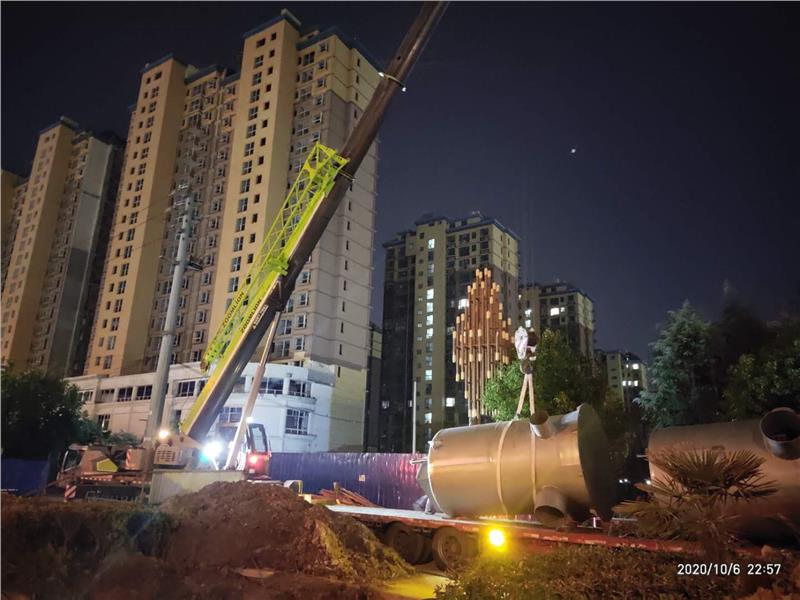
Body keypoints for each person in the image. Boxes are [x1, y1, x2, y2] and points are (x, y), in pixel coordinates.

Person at [513, 327, 539, 419]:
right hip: (526, 363)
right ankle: (520, 413)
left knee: (528, 386)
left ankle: (520, 413)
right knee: (527, 386)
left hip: (526, 362)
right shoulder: (526, 354)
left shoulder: (527, 354)